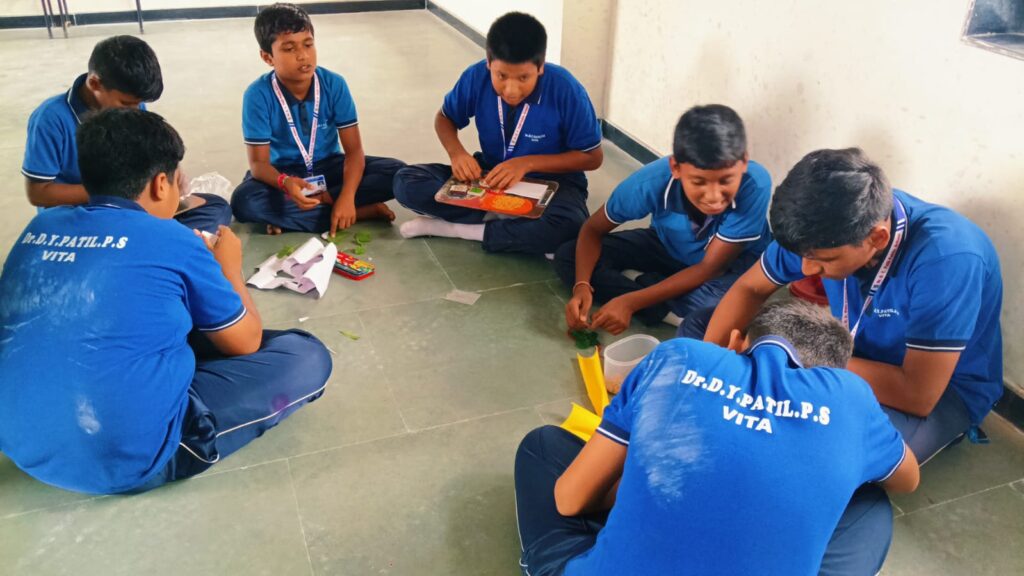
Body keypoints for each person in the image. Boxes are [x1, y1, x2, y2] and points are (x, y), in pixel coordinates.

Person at [0, 109, 331, 494]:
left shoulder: (41, 225)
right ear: (161, 184)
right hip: (123, 457)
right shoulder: (172, 239)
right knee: (306, 355)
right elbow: (246, 342)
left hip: (19, 439)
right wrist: (229, 268)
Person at [515, 301, 920, 575]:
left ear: (735, 343)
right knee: (871, 506)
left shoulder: (679, 356)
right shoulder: (850, 398)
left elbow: (570, 500)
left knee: (543, 446)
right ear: (833, 373)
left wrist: (650, 476)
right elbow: (908, 479)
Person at [684, 148, 1004, 464]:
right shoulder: (824, 223)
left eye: (823, 260)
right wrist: (713, 372)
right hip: (850, 350)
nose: (807, 269)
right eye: (803, 256)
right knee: (703, 328)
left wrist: (793, 357)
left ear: (877, 239)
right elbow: (750, 288)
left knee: (837, 454)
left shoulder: (947, 259)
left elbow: (917, 394)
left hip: (935, 393)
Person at [392, 11, 603, 255]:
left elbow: (592, 157)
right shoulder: (475, 77)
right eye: (501, 76)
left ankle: (457, 228)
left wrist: (526, 163)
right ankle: (511, 220)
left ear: (540, 67)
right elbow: (445, 118)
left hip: (553, 182)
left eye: (523, 77)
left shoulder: (566, 89)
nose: (511, 90)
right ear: (489, 63)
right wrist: (457, 153)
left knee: (570, 225)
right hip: (489, 176)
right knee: (406, 182)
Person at [554, 105, 771, 334]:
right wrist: (581, 286)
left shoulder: (755, 184)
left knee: (724, 308)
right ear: (676, 168)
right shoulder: (648, 184)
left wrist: (630, 302)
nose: (714, 197)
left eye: (726, 181)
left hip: (729, 265)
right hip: (666, 246)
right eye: (698, 182)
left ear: (744, 162)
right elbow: (592, 230)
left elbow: (711, 267)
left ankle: (647, 290)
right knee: (569, 256)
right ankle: (662, 298)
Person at [21, 35, 231, 233]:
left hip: (130, 206)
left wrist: (172, 172)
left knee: (216, 207)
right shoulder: (51, 119)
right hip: (82, 216)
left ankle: (150, 240)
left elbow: (149, 152)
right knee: (174, 232)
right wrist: (115, 192)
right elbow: (38, 193)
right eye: (126, 103)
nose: (136, 110)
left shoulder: (130, 106)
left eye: (139, 103)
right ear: (95, 83)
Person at [230, 2, 405, 235]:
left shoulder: (334, 84)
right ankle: (360, 212)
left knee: (398, 173)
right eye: (289, 49)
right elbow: (259, 165)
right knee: (244, 202)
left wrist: (346, 196)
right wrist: (285, 183)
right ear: (267, 57)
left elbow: (354, 152)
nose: (303, 56)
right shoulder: (257, 95)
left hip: (329, 166)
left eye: (308, 44)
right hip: (283, 174)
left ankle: (312, 212)